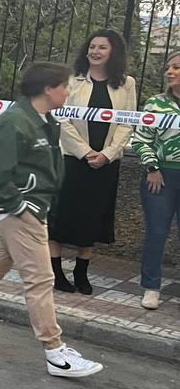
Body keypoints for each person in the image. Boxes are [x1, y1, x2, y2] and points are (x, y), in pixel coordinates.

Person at [0, 62, 103, 379]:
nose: (68, 91)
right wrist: (21, 207)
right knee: (41, 280)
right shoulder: (15, 123)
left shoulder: (44, 121)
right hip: (20, 211)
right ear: (48, 88)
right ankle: (55, 352)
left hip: (30, 209)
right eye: (64, 86)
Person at [46, 29, 137, 295]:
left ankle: (81, 273)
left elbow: (127, 121)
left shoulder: (126, 83)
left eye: (102, 47)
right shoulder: (72, 81)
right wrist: (85, 152)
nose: (95, 51)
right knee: (62, 218)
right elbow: (61, 118)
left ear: (113, 53)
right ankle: (56, 273)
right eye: (92, 46)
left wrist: (107, 154)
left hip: (106, 163)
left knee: (93, 219)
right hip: (74, 160)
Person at [131, 50, 180, 311]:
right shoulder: (155, 104)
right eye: (169, 67)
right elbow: (141, 139)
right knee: (157, 232)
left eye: (177, 67)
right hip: (161, 176)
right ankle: (151, 287)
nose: (170, 72)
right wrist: (152, 167)